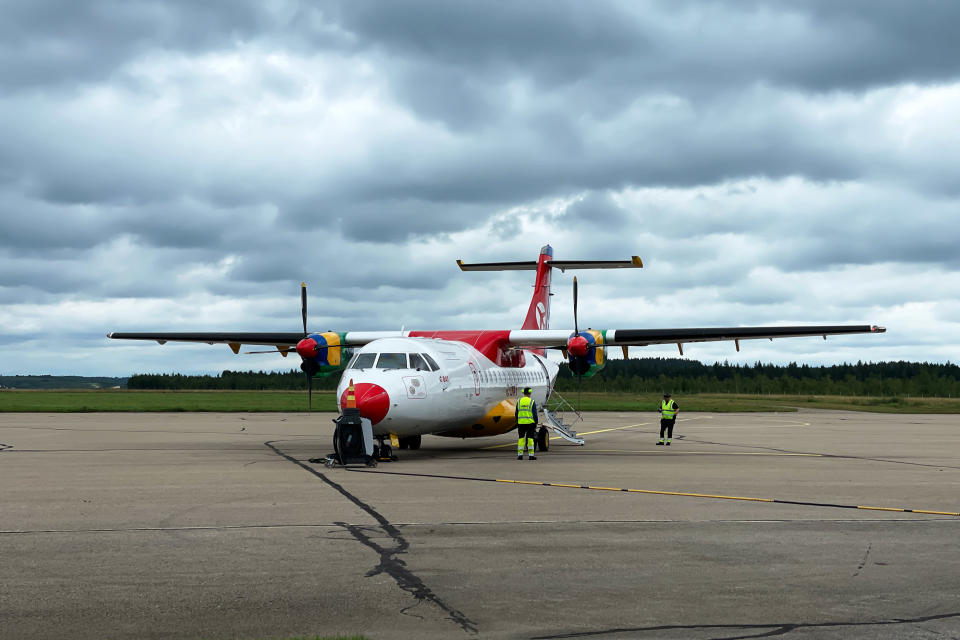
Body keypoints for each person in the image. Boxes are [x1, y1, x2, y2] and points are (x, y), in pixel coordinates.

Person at [515, 387, 538, 460]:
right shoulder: (532, 401)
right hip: (530, 423)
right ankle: (531, 455)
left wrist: (518, 421)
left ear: (523, 393)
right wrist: (536, 422)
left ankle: (520, 455)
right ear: (530, 393)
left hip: (521, 423)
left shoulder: (519, 401)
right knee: (530, 439)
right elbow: (534, 414)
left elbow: (516, 413)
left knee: (521, 438)